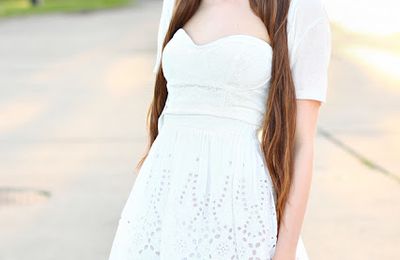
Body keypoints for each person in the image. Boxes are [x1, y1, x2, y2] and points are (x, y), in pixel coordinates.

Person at [108, 0, 331, 259]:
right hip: (164, 200)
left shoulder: (300, 8)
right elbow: (165, 113)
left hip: (237, 205)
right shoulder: (176, 3)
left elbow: (301, 144)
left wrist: (286, 251)